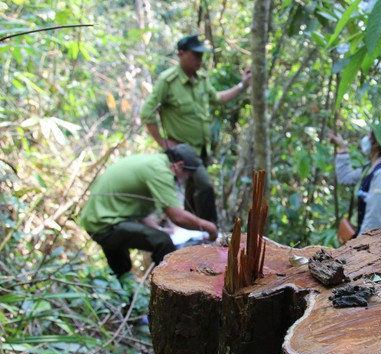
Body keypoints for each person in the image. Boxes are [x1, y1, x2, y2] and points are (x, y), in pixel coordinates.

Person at [140, 34, 252, 225]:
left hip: (202, 150)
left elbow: (218, 98)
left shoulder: (201, 80)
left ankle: (195, 238)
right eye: (195, 55)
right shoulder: (168, 81)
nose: (200, 60)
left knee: (192, 195)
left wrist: (242, 85)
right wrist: (165, 144)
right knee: (205, 186)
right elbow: (147, 114)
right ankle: (212, 232)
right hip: (182, 152)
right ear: (181, 54)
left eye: (201, 56)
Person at [79, 144, 219, 278]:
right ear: (180, 165)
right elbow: (177, 217)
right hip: (105, 224)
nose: (187, 178)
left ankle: (126, 297)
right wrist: (210, 228)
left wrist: (157, 228)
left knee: (122, 269)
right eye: (188, 174)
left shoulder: (154, 162)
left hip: (100, 220)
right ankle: (169, 289)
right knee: (163, 243)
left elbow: (138, 206)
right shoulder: (160, 172)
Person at [329, 120, 381, 236]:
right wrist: (342, 147)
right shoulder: (371, 168)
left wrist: (357, 251)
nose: (366, 137)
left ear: (377, 143)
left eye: (370, 135)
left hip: (366, 244)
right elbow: (345, 177)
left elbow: (373, 225)